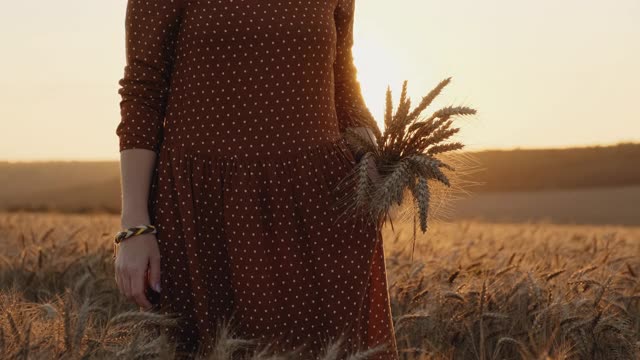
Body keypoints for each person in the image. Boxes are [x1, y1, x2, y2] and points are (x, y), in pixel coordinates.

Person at [113, 0, 399, 359]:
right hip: (207, 215)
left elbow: (343, 81)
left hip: (319, 209)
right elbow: (143, 90)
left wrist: (372, 153)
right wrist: (135, 226)